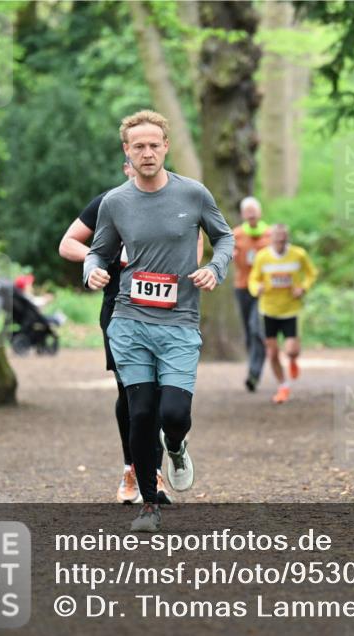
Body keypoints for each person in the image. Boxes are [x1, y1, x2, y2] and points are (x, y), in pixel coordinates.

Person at [84, 109, 234, 532]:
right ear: (126, 152)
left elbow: (225, 237)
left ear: (165, 147)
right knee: (141, 411)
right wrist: (92, 269)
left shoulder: (194, 195)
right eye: (138, 146)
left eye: (154, 145)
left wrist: (215, 268)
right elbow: (97, 250)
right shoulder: (115, 202)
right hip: (129, 319)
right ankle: (149, 505)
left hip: (180, 322)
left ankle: (178, 445)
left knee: (173, 413)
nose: (147, 153)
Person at [61, 160, 203, 505]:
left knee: (163, 395)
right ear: (127, 166)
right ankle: (131, 468)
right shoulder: (110, 202)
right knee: (131, 394)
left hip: (169, 307)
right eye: (135, 161)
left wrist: (188, 271)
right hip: (121, 306)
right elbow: (67, 244)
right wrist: (98, 259)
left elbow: (195, 243)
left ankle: (154, 471)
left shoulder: (179, 201)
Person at [248, 224, 317, 404]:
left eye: (283, 239)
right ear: (271, 239)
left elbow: (311, 273)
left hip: (291, 309)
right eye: (277, 239)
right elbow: (253, 279)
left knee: (292, 350)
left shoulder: (299, 254)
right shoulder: (262, 256)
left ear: (287, 238)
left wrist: (303, 288)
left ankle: (293, 360)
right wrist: (257, 288)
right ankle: (283, 386)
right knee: (272, 353)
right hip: (269, 309)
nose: (280, 242)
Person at [232, 196, 271, 392]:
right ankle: (253, 366)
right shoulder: (236, 234)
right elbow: (227, 255)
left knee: (256, 329)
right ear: (242, 215)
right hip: (242, 287)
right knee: (249, 332)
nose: (251, 214)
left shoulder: (270, 235)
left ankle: (253, 374)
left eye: (254, 210)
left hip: (264, 290)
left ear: (260, 212)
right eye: (247, 211)